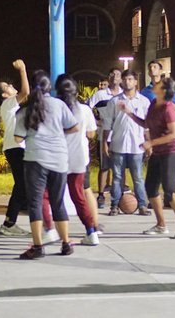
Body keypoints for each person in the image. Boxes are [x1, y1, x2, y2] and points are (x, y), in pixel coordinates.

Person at [0, 60, 60, 239]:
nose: (12, 86)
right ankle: (10, 223)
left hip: (16, 148)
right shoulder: (7, 104)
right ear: (4, 95)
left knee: (22, 186)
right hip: (16, 148)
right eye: (8, 86)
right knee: (24, 186)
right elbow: (26, 92)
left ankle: (10, 222)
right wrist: (22, 70)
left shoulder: (12, 107)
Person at [14, 71, 78, 259]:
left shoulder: (25, 109)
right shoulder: (59, 105)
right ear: (50, 87)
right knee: (58, 202)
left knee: (35, 203)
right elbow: (74, 126)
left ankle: (38, 246)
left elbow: (18, 138)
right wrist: (57, 132)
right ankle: (66, 243)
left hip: (35, 159)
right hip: (59, 158)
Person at [121, 76, 175, 239]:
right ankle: (161, 225)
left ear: (164, 90)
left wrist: (150, 142)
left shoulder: (169, 109)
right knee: (151, 188)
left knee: (169, 190)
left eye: (159, 84)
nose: (155, 84)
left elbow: (174, 134)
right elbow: (147, 124)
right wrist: (129, 113)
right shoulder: (153, 104)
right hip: (158, 152)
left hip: (172, 152)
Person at [55, 73, 101, 245]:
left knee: (53, 196)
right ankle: (91, 231)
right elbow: (91, 133)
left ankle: (53, 232)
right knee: (79, 196)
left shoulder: (56, 108)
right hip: (80, 158)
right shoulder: (84, 110)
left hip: (58, 158)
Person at [106, 69, 151, 216]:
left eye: (131, 79)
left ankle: (143, 205)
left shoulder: (143, 101)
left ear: (136, 82)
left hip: (137, 145)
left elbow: (147, 125)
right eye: (125, 79)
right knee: (117, 177)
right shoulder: (114, 101)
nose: (127, 82)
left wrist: (149, 143)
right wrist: (105, 143)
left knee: (138, 177)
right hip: (118, 144)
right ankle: (114, 205)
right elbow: (108, 124)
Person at [87, 68, 124, 208]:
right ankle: (101, 195)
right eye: (112, 74)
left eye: (118, 75)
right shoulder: (100, 95)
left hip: (120, 136)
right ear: (108, 78)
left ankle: (119, 196)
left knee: (120, 168)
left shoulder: (123, 95)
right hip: (104, 136)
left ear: (121, 79)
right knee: (104, 167)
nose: (115, 77)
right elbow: (87, 109)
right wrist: (96, 122)